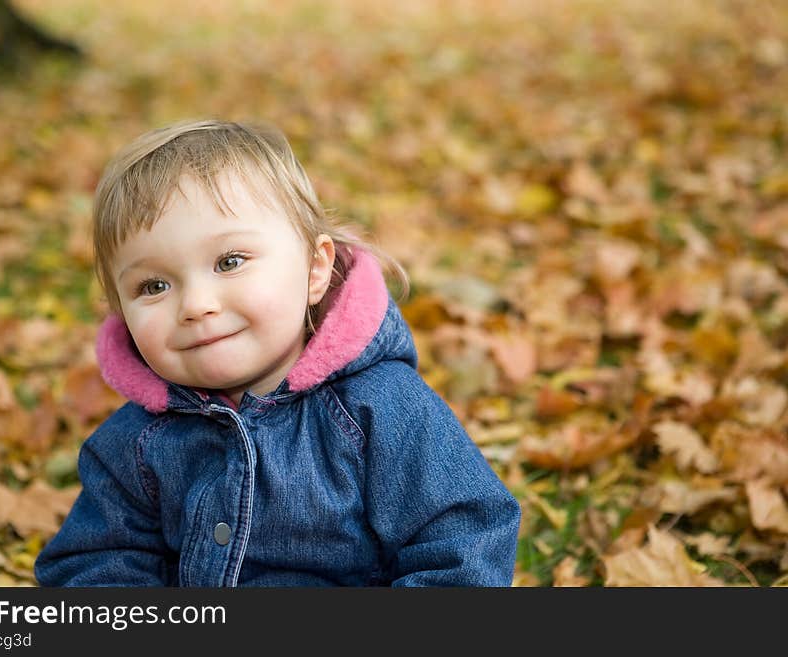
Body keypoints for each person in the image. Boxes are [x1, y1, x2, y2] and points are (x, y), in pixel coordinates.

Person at [34, 119, 521, 587]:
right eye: (154, 285)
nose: (197, 306)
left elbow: (463, 544)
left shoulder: (383, 410)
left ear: (314, 269)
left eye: (230, 261)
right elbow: (95, 562)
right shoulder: (134, 443)